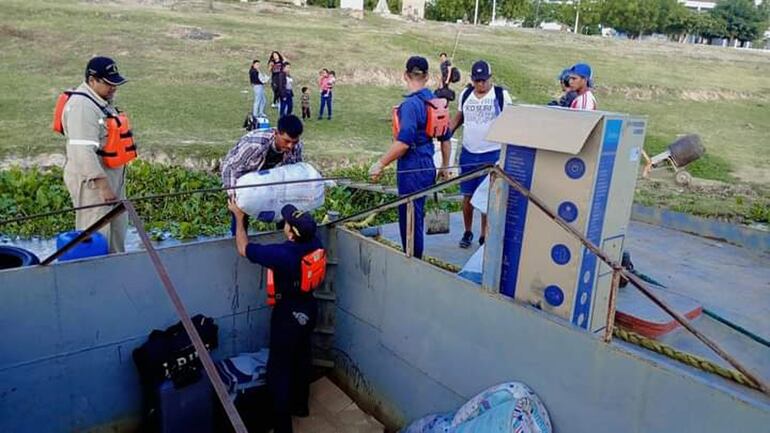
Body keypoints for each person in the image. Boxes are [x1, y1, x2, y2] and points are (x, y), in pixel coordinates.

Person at [228, 201, 323, 433]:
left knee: (278, 372)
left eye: (288, 223)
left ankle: (282, 428)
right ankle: (300, 407)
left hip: (288, 315)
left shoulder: (283, 255)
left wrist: (239, 218)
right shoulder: (314, 241)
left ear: (291, 234)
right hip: (309, 310)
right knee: (302, 357)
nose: (285, 223)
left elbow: (243, 248)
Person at [369, 56, 440, 259]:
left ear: (405, 75)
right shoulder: (432, 99)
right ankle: (415, 256)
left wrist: (380, 164)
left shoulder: (410, 105)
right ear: (426, 77)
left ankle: (412, 261)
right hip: (428, 162)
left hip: (412, 165)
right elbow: (444, 135)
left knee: (409, 217)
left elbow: (403, 143)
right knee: (417, 213)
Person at [59, 56, 132, 253]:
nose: (114, 87)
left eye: (115, 83)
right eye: (108, 83)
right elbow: (83, 152)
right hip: (95, 186)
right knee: (97, 234)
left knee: (115, 232)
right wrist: (103, 187)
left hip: (111, 179)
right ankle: (95, 277)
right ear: (92, 81)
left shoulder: (100, 101)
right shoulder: (82, 107)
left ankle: (115, 274)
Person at [449, 60, 512, 248]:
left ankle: (484, 234)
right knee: (467, 195)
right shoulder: (466, 94)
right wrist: (446, 133)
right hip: (469, 152)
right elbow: (459, 117)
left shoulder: (501, 95)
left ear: (490, 78)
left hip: (491, 153)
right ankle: (468, 231)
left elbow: (510, 121)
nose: (480, 84)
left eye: (483, 80)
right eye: (477, 81)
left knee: (486, 197)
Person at [221, 114, 304, 233]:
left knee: (286, 211)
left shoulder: (297, 147)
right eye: (286, 141)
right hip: (245, 179)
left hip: (272, 180)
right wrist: (233, 195)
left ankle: (284, 242)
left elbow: (293, 171)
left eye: (294, 142)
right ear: (276, 133)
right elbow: (230, 168)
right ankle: (239, 242)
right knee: (240, 213)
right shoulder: (254, 144)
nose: (290, 146)